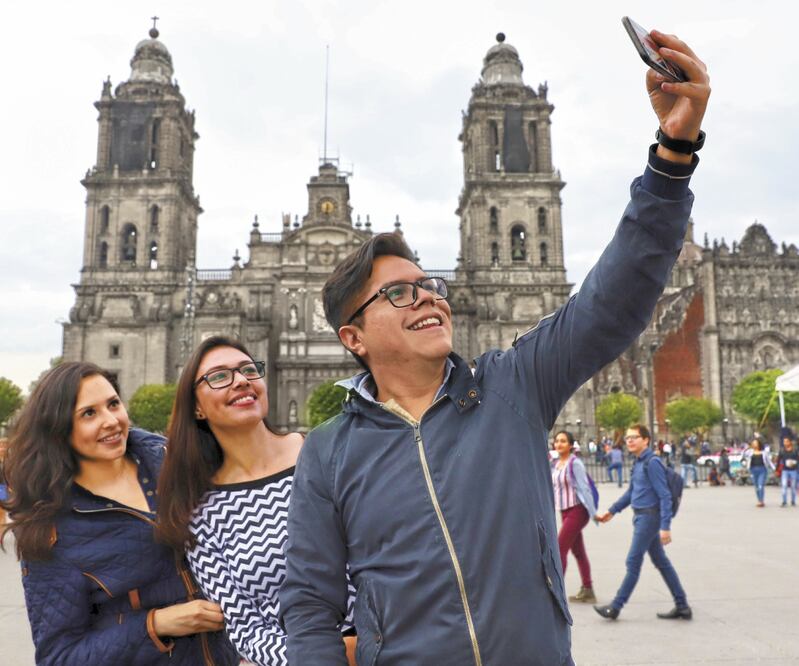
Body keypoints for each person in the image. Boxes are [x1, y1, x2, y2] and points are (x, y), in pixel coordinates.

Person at [279, 30, 710, 665]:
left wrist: (672, 155)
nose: (427, 297)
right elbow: (309, 607)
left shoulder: (513, 386)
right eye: (398, 294)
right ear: (353, 338)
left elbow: (612, 302)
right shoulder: (329, 454)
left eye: (428, 285)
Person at [0, 362, 237, 665]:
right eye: (89, 413)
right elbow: (59, 656)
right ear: (58, 428)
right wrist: (155, 625)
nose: (111, 420)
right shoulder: (52, 529)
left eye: (113, 404)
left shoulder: (174, 463)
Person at [155, 336, 356, 666]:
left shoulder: (324, 453)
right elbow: (245, 630)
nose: (241, 381)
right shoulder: (202, 512)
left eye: (249, 370)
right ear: (196, 407)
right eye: (219, 376)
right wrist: (329, 656)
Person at [594, 424, 691, 621]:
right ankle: (682, 605)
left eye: (634, 437)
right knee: (661, 561)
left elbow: (664, 495)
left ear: (645, 440)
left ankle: (615, 606)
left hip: (649, 517)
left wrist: (665, 526)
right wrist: (612, 511)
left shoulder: (651, 462)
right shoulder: (639, 463)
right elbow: (632, 492)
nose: (629, 440)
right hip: (641, 516)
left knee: (633, 561)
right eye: (628, 437)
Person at [551, 430, 599, 603]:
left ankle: (556, 591)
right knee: (578, 551)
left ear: (571, 445)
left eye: (563, 441)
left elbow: (584, 488)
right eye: (557, 441)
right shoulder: (555, 463)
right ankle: (588, 589)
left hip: (577, 510)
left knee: (559, 549)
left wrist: (594, 514)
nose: (559, 444)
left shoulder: (575, 463)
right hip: (564, 511)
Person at [743, 437, 774, 507]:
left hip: (762, 470)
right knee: (756, 486)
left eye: (756, 443)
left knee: (760, 486)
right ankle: (759, 500)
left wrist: (774, 469)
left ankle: (761, 501)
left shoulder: (764, 452)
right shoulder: (750, 452)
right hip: (753, 470)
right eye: (753, 443)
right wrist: (749, 447)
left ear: (759, 444)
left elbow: (769, 462)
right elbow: (744, 454)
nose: (754, 445)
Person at [776, 436, 798, 507]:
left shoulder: (795, 450)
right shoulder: (782, 450)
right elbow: (778, 460)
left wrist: (795, 463)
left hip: (794, 470)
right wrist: (777, 469)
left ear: (790, 442)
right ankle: (784, 501)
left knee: (793, 486)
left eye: (786, 441)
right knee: (784, 485)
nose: (785, 443)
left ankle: (793, 501)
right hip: (785, 470)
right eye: (784, 441)